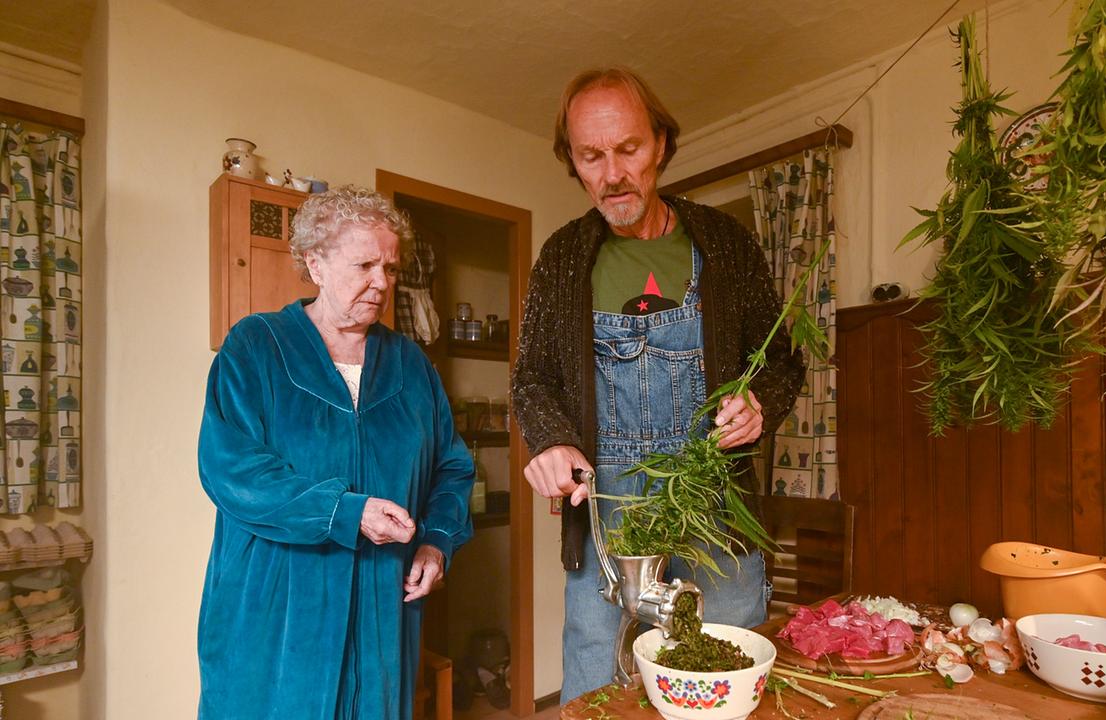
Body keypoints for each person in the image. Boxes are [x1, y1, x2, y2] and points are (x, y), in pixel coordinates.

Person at [511, 67, 804, 701]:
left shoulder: (724, 244)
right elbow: (533, 379)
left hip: (712, 496)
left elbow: (781, 360)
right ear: (575, 163)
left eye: (628, 149)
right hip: (606, 506)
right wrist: (550, 441)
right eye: (592, 155)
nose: (612, 173)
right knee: (593, 674)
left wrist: (760, 404)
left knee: (726, 670)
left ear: (661, 146)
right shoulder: (563, 257)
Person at [197, 186, 474, 719]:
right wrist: (346, 511)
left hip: (380, 604)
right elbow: (231, 468)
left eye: (390, 269)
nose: (381, 283)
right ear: (315, 264)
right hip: (277, 604)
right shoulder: (256, 346)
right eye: (365, 264)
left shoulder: (410, 364)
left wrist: (437, 543)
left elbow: (451, 467)